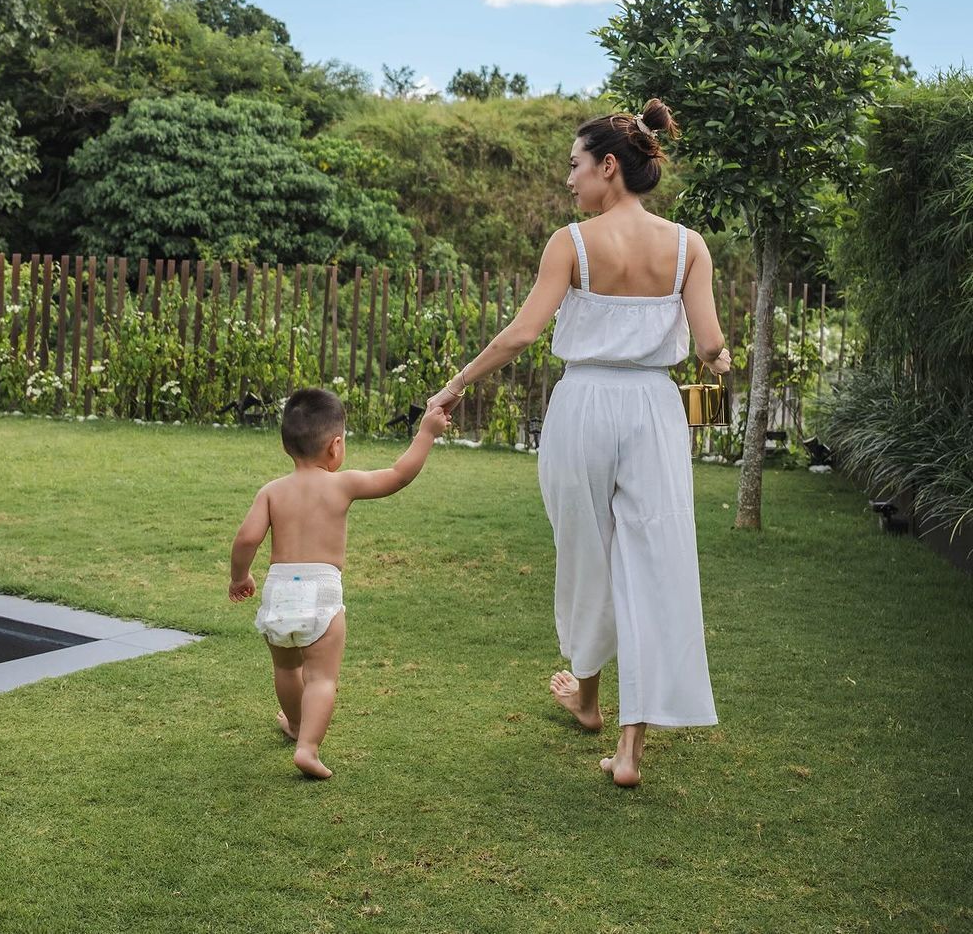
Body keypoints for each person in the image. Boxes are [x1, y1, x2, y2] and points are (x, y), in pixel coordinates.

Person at [427, 99, 730, 787]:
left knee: (587, 553)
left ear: (608, 166)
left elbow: (522, 334)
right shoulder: (689, 247)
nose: (569, 180)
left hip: (585, 404)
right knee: (653, 563)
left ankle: (589, 696)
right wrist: (719, 363)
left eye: (575, 165)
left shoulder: (571, 243)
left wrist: (456, 384)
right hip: (654, 407)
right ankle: (626, 746)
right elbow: (710, 344)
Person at [228, 387, 450, 780]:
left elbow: (246, 539)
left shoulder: (272, 492)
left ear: (286, 445)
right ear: (335, 446)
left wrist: (240, 577)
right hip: (321, 589)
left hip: (279, 590)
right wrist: (426, 433)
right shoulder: (342, 484)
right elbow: (398, 476)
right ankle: (307, 747)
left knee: (286, 668)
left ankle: (296, 723)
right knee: (321, 677)